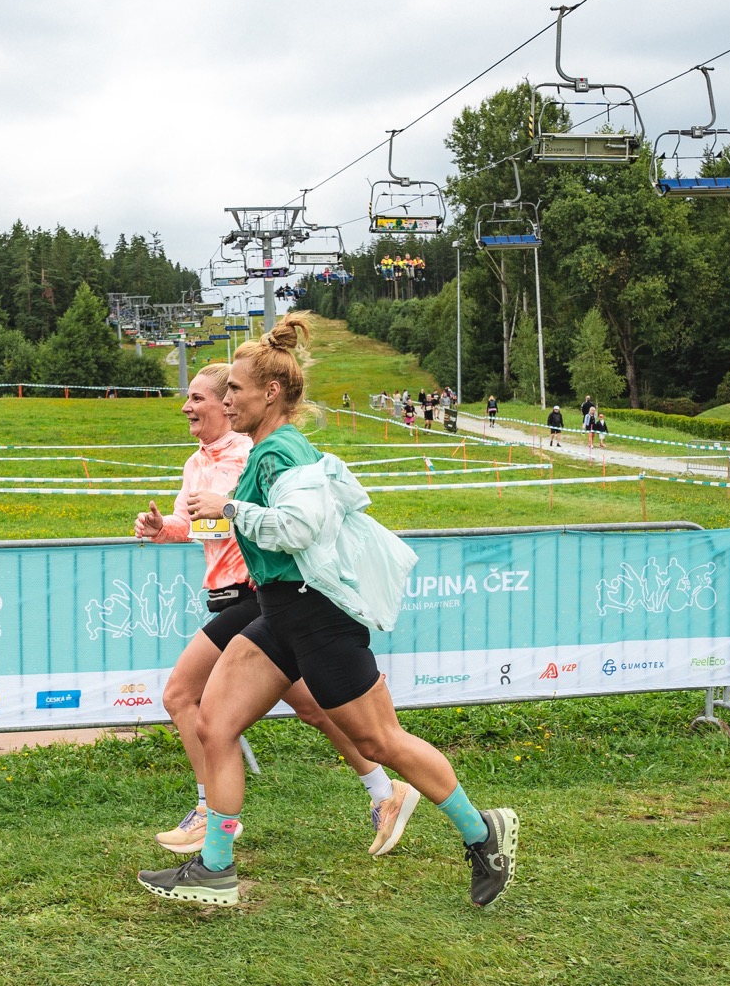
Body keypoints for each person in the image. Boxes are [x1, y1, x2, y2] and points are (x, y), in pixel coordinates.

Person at [140, 315, 519, 909]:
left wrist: (229, 508)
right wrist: (208, 515)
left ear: (270, 393)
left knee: (380, 740)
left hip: (317, 616)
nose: (226, 398)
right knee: (215, 724)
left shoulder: (280, 451)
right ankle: (215, 868)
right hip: (279, 613)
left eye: (234, 388)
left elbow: (300, 527)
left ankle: (482, 833)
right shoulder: (266, 450)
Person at [134, 363, 418, 858]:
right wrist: (164, 529)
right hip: (229, 596)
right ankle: (384, 791)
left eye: (199, 398)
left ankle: (208, 814)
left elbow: (275, 522)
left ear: (228, 401)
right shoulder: (195, 463)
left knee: (180, 694)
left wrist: (236, 524)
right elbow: (196, 524)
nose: (187, 407)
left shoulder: (253, 452)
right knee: (314, 708)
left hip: (255, 594)